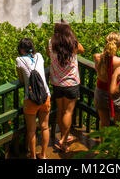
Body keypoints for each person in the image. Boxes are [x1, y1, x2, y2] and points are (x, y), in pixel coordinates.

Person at [47, 20, 85, 152]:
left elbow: (48, 54)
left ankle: (63, 137)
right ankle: (64, 139)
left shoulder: (51, 42)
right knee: (68, 112)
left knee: (60, 110)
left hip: (57, 83)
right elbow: (82, 49)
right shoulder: (73, 43)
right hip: (71, 83)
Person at [16, 38, 51, 159]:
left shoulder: (19, 60)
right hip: (45, 96)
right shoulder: (40, 56)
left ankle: (33, 157)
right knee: (45, 127)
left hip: (30, 99)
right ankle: (44, 155)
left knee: (31, 131)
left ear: (21, 49)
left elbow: (21, 80)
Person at [93, 32, 120, 127]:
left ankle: (102, 142)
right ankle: (114, 142)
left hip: (100, 91)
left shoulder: (97, 57)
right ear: (118, 45)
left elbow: (97, 69)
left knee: (104, 123)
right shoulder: (118, 61)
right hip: (115, 92)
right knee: (118, 123)